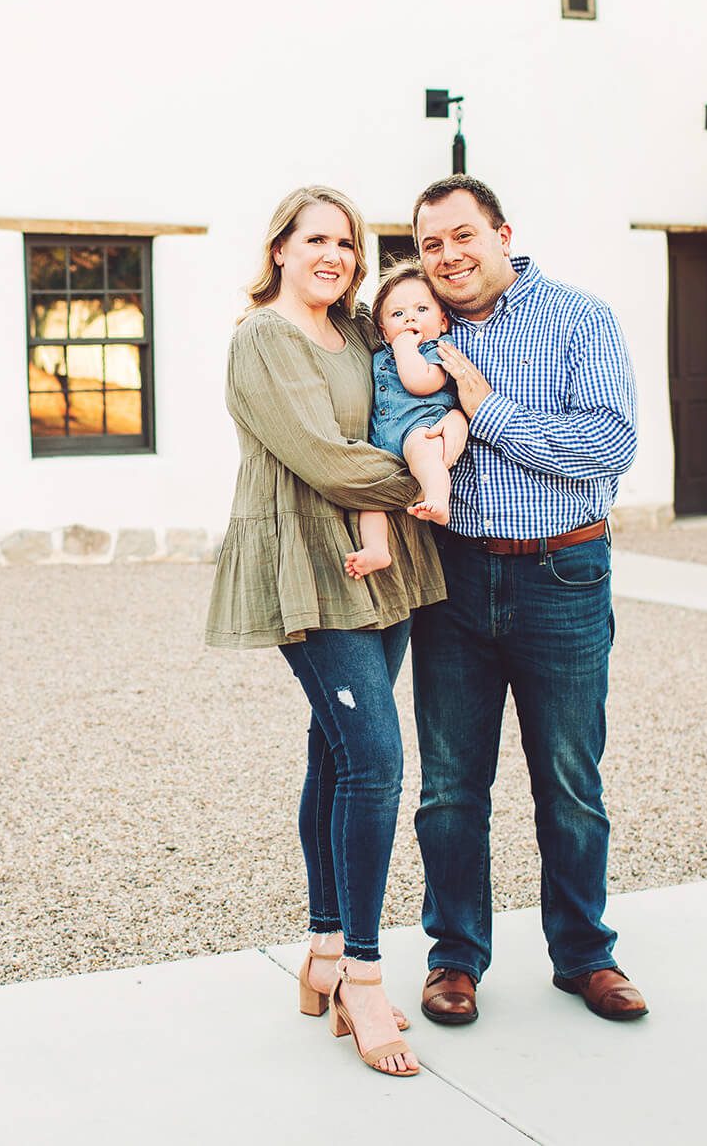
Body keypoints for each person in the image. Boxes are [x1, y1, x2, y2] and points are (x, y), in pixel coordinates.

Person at [204, 185, 447, 1078]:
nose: (334, 254)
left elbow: (403, 406)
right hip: (311, 563)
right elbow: (323, 458)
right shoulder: (261, 339)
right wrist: (431, 476)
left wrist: (437, 440)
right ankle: (363, 973)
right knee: (377, 760)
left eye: (346, 241)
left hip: (378, 563)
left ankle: (320, 946)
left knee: (337, 753)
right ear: (279, 249)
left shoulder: (355, 334)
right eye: (316, 239)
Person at [405, 174, 648, 1026]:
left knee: (571, 782)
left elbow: (609, 444)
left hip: (563, 575)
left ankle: (586, 955)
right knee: (449, 787)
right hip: (454, 580)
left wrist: (489, 410)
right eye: (431, 244)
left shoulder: (581, 318)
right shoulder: (413, 331)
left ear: (503, 232)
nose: (448, 257)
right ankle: (455, 957)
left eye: (462, 236)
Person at [345, 263, 468, 580]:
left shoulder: (438, 350)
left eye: (421, 309)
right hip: (383, 439)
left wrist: (404, 347)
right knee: (370, 496)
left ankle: (438, 498)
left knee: (424, 456)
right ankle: (376, 550)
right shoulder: (380, 354)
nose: (410, 318)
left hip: (421, 428)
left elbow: (420, 382)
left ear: (442, 321)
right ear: (383, 329)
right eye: (397, 314)